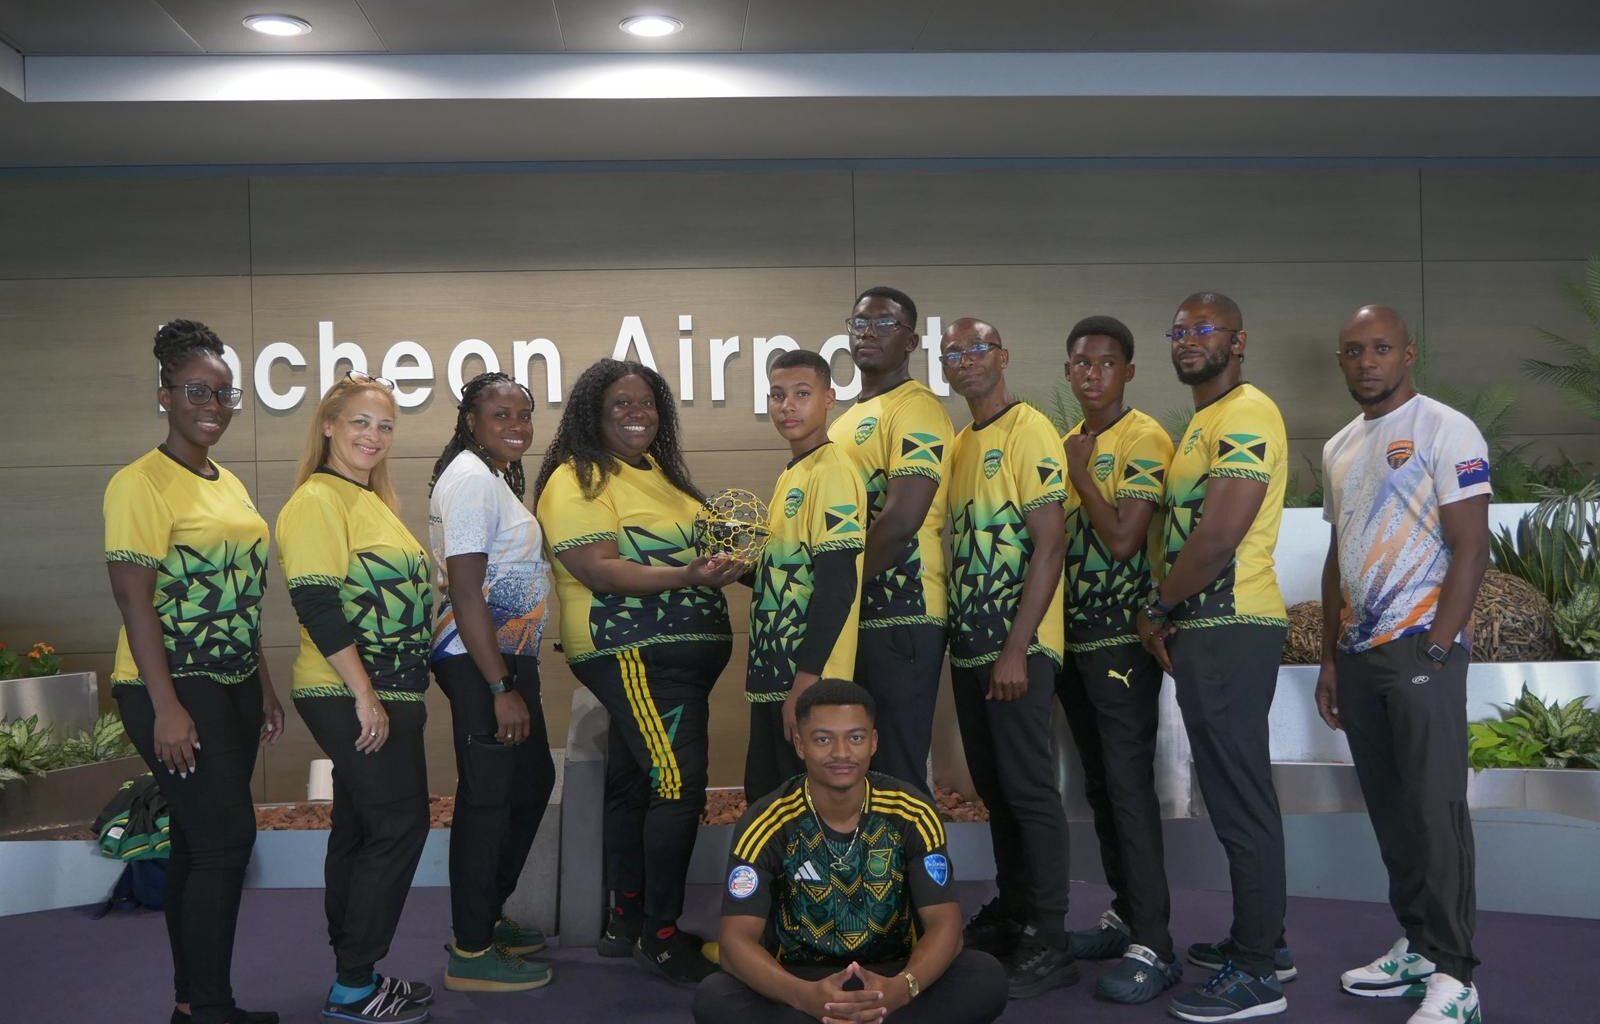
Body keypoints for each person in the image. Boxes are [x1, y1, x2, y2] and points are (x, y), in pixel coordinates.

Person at [533, 358, 743, 984]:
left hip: (676, 663)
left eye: (646, 402)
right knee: (679, 786)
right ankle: (662, 935)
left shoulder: (660, 475)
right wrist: (688, 574)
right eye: (620, 404)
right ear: (592, 413)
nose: (636, 413)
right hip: (632, 652)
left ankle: (626, 921)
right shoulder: (577, 477)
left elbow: (705, 553)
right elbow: (597, 569)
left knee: (634, 784)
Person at [104, 319, 283, 1024]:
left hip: (232, 683)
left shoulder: (228, 482)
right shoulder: (138, 484)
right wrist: (166, 706)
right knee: (227, 841)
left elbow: (240, 592)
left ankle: (192, 1003)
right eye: (196, 391)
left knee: (198, 841)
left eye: (223, 393)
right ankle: (209, 1008)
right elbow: (133, 599)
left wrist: (262, 683)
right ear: (165, 395)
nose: (213, 405)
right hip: (173, 686)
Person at [1316, 305, 1489, 1024]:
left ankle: (1457, 977)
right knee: (1391, 812)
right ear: (1342, 360)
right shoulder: (1337, 447)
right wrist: (1329, 659)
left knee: (1434, 811)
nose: (1367, 362)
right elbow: (1338, 557)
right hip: (1359, 657)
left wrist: (1439, 648)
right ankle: (1419, 945)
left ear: (1407, 354)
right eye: (1354, 351)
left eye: (1381, 348)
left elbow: (1472, 545)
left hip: (1422, 648)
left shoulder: (1447, 428)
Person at [1135, 292, 1291, 1022]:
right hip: (1206, 627)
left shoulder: (1248, 413)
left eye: (1204, 329)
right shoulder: (1205, 420)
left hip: (1232, 622)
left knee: (1239, 796)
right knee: (1232, 793)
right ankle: (1264, 942)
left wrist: (1158, 606)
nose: (1188, 339)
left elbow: (1221, 534)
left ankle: (1258, 972)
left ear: (1240, 340)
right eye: (1179, 330)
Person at [694, 679, 1008, 1024]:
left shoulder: (910, 812)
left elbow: (945, 925)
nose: (841, 753)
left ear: (873, 742)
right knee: (716, 997)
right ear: (800, 744)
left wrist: (900, 991)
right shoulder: (767, 822)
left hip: (893, 974)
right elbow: (736, 942)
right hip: (799, 980)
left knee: (983, 976)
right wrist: (804, 997)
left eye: (855, 738)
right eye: (823, 739)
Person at [276, 372, 434, 1024]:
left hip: (389, 690)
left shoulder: (370, 500)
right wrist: (365, 695)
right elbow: (316, 603)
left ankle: (355, 973)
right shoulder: (318, 500)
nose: (374, 436)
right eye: (361, 422)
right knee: (399, 825)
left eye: (385, 426)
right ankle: (353, 986)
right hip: (350, 693)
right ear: (329, 426)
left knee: (363, 825)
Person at [940, 317, 1076, 999]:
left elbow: (1050, 544)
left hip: (1018, 650)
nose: (964, 361)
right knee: (995, 790)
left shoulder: (1031, 431)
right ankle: (1015, 910)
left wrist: (1018, 647)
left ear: (1003, 357)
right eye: (952, 353)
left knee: (1029, 790)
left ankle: (1050, 936)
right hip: (971, 649)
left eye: (976, 349)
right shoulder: (961, 443)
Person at [1053, 315, 1181, 1003]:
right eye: (1081, 362)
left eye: (1105, 363)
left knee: (1129, 789)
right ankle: (1126, 914)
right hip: (1072, 642)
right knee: (1100, 787)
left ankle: (1155, 944)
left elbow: (1127, 538)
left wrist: (1080, 474)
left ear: (1128, 371)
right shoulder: (1069, 440)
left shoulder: (1143, 437)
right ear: (1068, 370)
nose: (1092, 374)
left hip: (1123, 644)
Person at [427, 371, 555, 993]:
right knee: (488, 799)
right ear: (471, 420)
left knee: (528, 783)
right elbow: (465, 588)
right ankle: (471, 949)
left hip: (503, 659)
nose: (516, 426)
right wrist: (501, 686)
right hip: (482, 662)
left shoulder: (491, 477)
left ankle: (484, 915)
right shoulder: (473, 480)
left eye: (523, 415)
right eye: (500, 415)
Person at [826, 286, 953, 792]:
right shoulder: (844, 421)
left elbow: (902, 519)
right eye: (859, 323)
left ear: (911, 341)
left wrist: (835, 588)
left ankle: (919, 852)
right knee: (857, 775)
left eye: (884, 324)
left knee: (898, 773)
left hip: (904, 614)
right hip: (856, 617)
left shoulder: (916, 408)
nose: (868, 333)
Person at [745, 349, 867, 802]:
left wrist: (806, 680)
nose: (787, 406)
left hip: (809, 681)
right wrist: (733, 569)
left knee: (806, 810)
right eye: (778, 395)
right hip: (773, 675)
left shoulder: (832, 472)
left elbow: (838, 586)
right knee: (768, 801)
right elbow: (790, 574)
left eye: (801, 394)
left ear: (829, 399)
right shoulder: (793, 474)